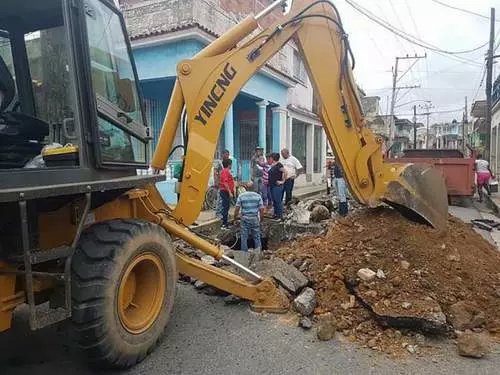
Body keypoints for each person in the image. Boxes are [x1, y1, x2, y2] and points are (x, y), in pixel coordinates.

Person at [234, 181, 265, 252]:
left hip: (244, 218)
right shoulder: (258, 196)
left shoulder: (241, 196)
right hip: (254, 218)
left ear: (246, 188)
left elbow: (237, 209)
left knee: (244, 237)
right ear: (254, 188)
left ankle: (244, 253)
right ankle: (258, 252)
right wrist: (261, 219)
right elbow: (261, 209)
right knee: (257, 237)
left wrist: (235, 218)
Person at [268, 152, 287, 219]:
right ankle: (275, 214)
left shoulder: (279, 165)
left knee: (278, 201)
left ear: (272, 158)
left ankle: (280, 216)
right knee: (274, 201)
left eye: (270, 158)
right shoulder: (272, 165)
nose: (269, 159)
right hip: (272, 185)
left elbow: (285, 172)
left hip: (277, 186)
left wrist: (282, 181)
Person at [219, 158, 235, 228]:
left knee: (226, 206)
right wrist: (229, 192)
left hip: (226, 191)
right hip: (225, 191)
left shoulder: (227, 171)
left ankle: (225, 221)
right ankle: (224, 224)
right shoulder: (225, 171)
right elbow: (225, 183)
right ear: (229, 165)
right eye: (231, 164)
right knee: (226, 207)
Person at [214, 150, 231, 216]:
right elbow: (215, 172)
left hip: (226, 183)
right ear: (222, 154)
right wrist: (216, 181)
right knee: (220, 198)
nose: (227, 156)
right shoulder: (219, 162)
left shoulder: (227, 162)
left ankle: (224, 212)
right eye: (226, 154)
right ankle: (218, 213)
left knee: (225, 199)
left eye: (228, 155)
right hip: (220, 182)